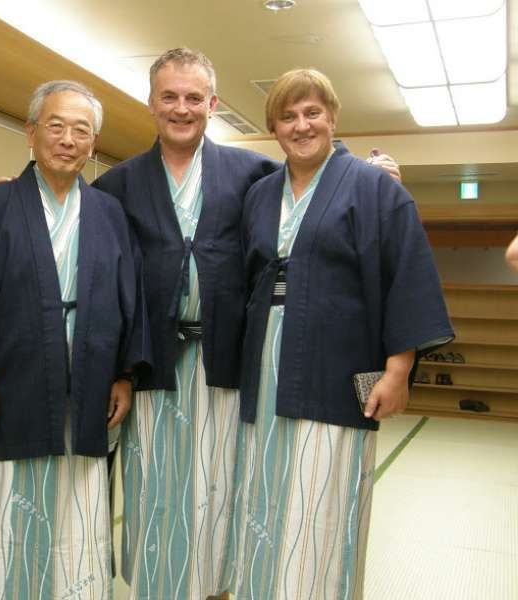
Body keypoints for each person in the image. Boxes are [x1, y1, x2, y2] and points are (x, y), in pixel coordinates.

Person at [92, 49, 401, 600]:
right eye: (169, 96)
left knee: (231, 487)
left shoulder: (253, 174)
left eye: (193, 97)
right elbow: (99, 278)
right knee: (157, 488)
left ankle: (224, 589)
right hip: (154, 368)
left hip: (233, 364)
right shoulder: (116, 186)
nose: (181, 108)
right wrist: (22, 182)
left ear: (213, 104)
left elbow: (319, 187)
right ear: (150, 102)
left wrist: (377, 180)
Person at [227, 68, 454, 599]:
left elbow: (406, 276)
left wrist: (399, 369)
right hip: (266, 359)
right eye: (287, 116)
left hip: (339, 359)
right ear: (273, 127)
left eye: (312, 113)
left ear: (332, 117)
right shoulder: (261, 193)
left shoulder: (376, 188)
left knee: (324, 494)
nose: (301, 125)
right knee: (263, 489)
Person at [0, 80, 150, 600]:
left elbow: (129, 297)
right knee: (11, 504)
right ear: (30, 133)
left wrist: (124, 374)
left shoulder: (110, 214)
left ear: (93, 144)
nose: (68, 139)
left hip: (90, 384)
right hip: (16, 381)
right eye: (56, 125)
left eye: (81, 130)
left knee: (80, 505)